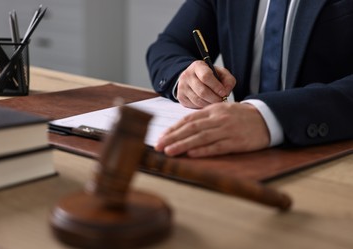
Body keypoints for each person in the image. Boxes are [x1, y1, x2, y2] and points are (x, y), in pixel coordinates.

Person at [146, 0, 353, 158]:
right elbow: (168, 46)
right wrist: (186, 75)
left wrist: (268, 115)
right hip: (241, 154)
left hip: (330, 156)